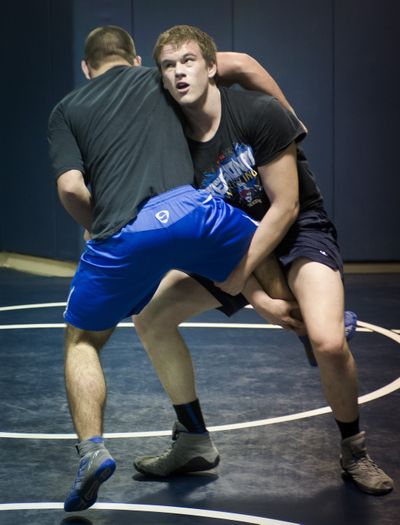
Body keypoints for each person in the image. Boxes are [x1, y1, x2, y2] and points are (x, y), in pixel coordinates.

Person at [132, 25, 393, 496]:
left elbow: (286, 206)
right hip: (230, 246)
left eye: (188, 61)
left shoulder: (258, 113)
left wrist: (244, 282)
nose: (179, 72)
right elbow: (205, 238)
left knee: (329, 342)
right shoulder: (170, 147)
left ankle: (354, 449)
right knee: (150, 318)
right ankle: (193, 441)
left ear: (212, 67)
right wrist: (257, 298)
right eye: (169, 66)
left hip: (295, 230)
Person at [48, 25, 300, 512]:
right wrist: (291, 124)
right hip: (191, 212)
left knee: (81, 340)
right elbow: (243, 65)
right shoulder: (157, 78)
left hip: (123, 234)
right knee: (255, 240)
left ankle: (93, 450)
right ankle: (314, 320)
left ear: (86, 69)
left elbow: (71, 189)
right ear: (137, 58)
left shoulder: (66, 110)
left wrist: (96, 222)